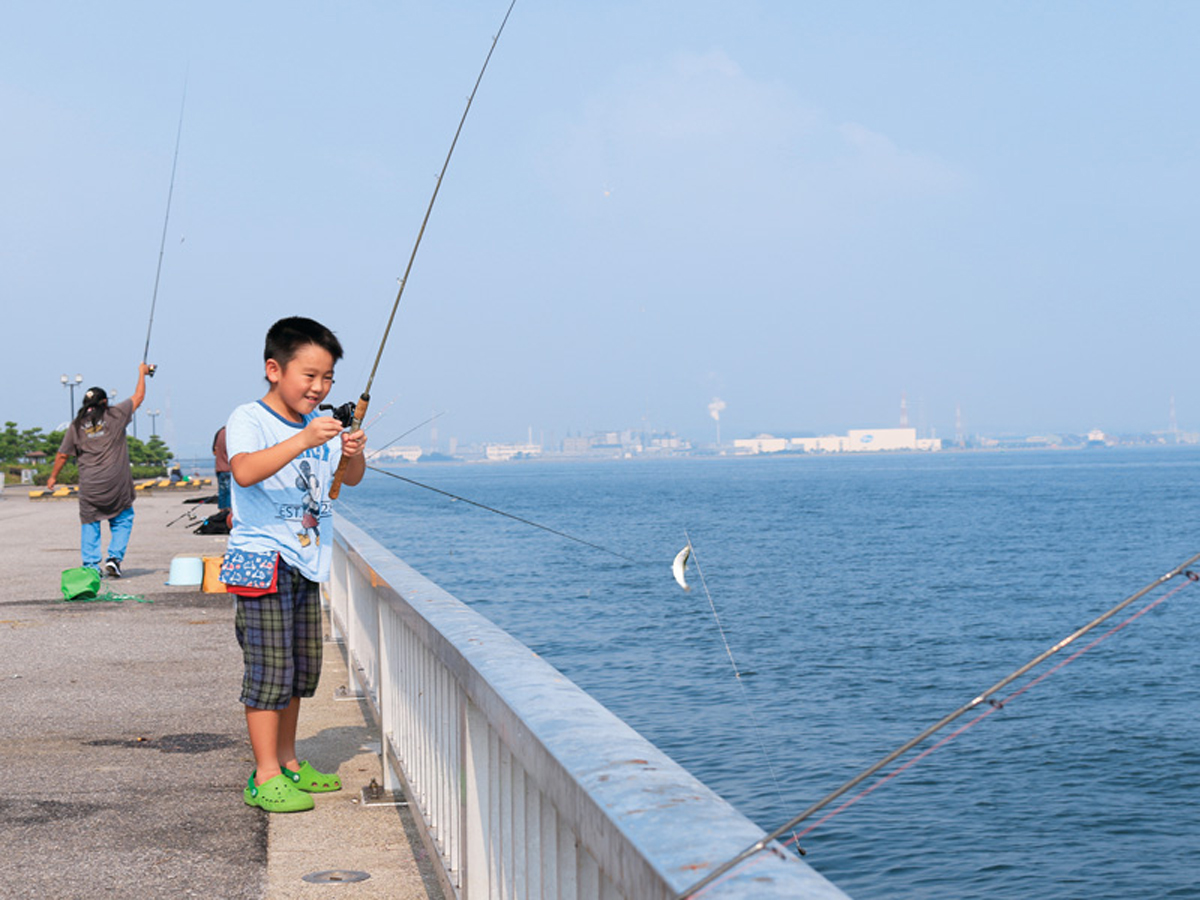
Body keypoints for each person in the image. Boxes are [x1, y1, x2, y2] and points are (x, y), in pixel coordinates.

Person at [221, 316, 366, 813]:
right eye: (309, 375)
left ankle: (288, 761)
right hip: (261, 560)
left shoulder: (319, 425)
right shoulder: (250, 418)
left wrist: (351, 450)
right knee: (268, 671)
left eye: (327, 378)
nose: (319, 387)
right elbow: (243, 471)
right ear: (273, 369)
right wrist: (305, 440)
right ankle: (263, 775)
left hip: (306, 561)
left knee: (300, 671)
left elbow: (349, 480)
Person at [48, 363, 152, 578]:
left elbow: (62, 455)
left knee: (90, 522)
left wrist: (52, 477)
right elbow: (139, 396)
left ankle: (91, 566)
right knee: (123, 518)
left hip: (90, 486)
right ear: (105, 402)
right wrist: (141, 373)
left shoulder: (76, 425)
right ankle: (114, 558)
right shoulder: (115, 414)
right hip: (116, 484)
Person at [212, 426, 231, 510]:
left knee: (222, 492)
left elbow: (214, 451)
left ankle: (222, 513)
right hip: (230, 468)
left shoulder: (219, 433)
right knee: (230, 493)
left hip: (220, 468)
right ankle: (229, 514)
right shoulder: (232, 433)